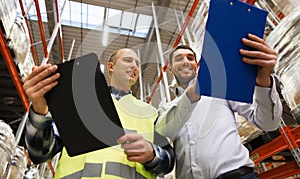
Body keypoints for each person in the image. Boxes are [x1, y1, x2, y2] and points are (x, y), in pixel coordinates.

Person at [23, 48, 175, 178]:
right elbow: (40, 153)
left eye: (137, 63)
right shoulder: (80, 104)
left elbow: (168, 162)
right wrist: (39, 110)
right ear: (111, 66)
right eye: (128, 60)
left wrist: (152, 154)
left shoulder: (150, 113)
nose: (134, 66)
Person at [156, 34, 283, 179]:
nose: (186, 61)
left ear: (196, 66)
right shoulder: (167, 108)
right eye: (179, 59)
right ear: (170, 69)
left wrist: (263, 81)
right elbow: (164, 131)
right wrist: (193, 93)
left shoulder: (221, 90)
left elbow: (268, 123)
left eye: (190, 58)